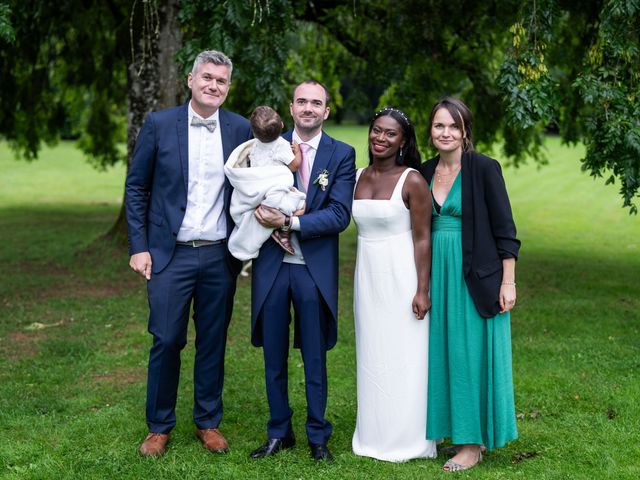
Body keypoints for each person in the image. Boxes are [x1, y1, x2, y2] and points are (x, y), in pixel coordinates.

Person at [125, 50, 251, 457]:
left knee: (212, 339)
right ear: (191, 80)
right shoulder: (160, 124)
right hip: (169, 254)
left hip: (219, 255)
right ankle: (159, 426)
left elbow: (255, 184)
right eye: (207, 78)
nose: (214, 86)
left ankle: (207, 422)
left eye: (222, 81)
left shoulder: (240, 129)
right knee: (166, 338)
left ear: (228, 88)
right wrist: (139, 246)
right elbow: (137, 187)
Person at [249, 80, 356, 462]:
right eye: (301, 102)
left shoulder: (342, 153)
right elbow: (246, 192)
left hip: (313, 268)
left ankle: (317, 434)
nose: (308, 108)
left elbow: (340, 215)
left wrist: (289, 223)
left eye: (316, 103)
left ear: (326, 111)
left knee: (314, 355)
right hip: (272, 267)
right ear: (291, 108)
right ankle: (279, 430)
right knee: (273, 354)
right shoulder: (266, 148)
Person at [420, 97, 520, 472]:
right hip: (439, 275)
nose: (445, 133)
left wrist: (507, 282)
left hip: (475, 275)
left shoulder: (484, 169)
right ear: (430, 132)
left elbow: (506, 231)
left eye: (453, 126)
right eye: (438, 126)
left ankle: (472, 444)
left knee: (469, 356)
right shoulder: (424, 170)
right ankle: (452, 429)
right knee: (444, 352)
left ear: (465, 131)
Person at [351, 107, 437, 462]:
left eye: (390, 134)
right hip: (367, 277)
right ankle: (371, 434)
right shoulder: (356, 175)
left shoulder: (412, 180)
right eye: (376, 131)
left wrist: (422, 289)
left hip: (401, 276)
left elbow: (422, 238)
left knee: (404, 357)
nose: (380, 138)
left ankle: (407, 439)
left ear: (403, 141)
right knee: (372, 355)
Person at [224, 106, 306, 260]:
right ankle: (282, 231)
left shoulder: (254, 145)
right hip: (273, 188)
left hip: (258, 188)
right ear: (282, 125)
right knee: (299, 202)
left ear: (254, 132)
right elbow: (293, 166)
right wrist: (298, 153)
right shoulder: (281, 145)